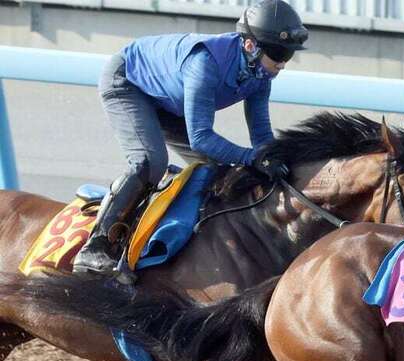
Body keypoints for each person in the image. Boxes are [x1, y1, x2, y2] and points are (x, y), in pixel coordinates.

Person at [72, 0, 307, 276]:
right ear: (250, 46)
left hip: (169, 100)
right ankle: (95, 247)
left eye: (288, 55)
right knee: (150, 162)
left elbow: (261, 133)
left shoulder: (260, 75)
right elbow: (200, 138)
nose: (282, 63)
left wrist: (274, 159)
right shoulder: (205, 63)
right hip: (128, 83)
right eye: (278, 53)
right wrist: (251, 157)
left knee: (217, 171)